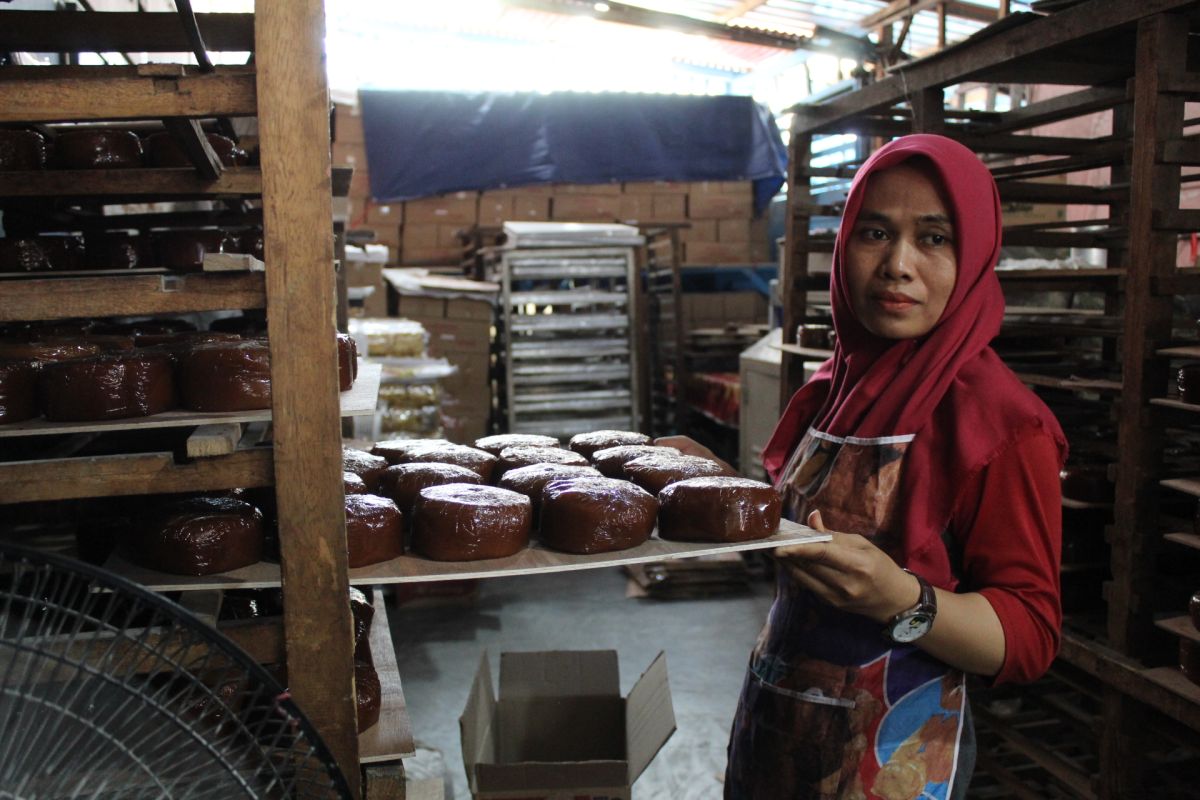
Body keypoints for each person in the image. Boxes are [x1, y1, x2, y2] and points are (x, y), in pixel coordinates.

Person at [658, 134, 1066, 800]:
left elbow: (1029, 636)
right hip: (778, 720)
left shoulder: (1003, 424)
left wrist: (904, 601)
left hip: (893, 756)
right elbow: (812, 535)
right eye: (876, 232)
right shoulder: (835, 386)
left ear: (975, 255)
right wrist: (720, 487)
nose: (898, 265)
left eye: (934, 239)